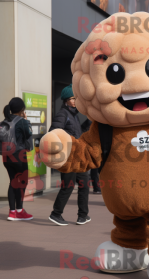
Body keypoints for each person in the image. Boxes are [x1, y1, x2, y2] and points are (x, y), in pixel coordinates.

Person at [48, 84, 90, 226]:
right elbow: (54, 132)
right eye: (73, 98)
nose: (75, 101)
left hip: (77, 157)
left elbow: (78, 133)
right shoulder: (63, 114)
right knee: (68, 186)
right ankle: (56, 214)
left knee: (84, 184)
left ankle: (83, 216)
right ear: (66, 100)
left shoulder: (73, 115)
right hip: (68, 157)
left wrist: (89, 122)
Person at [2, 97, 33, 221]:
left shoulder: (4, 121)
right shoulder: (21, 121)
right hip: (19, 156)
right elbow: (29, 133)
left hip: (6, 157)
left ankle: (12, 212)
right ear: (22, 109)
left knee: (13, 182)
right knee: (22, 181)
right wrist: (27, 121)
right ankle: (19, 211)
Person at [81, 119, 101, 195]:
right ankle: (96, 188)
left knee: (99, 169)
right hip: (93, 147)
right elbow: (82, 128)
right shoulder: (91, 120)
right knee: (95, 169)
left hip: (100, 147)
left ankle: (98, 187)